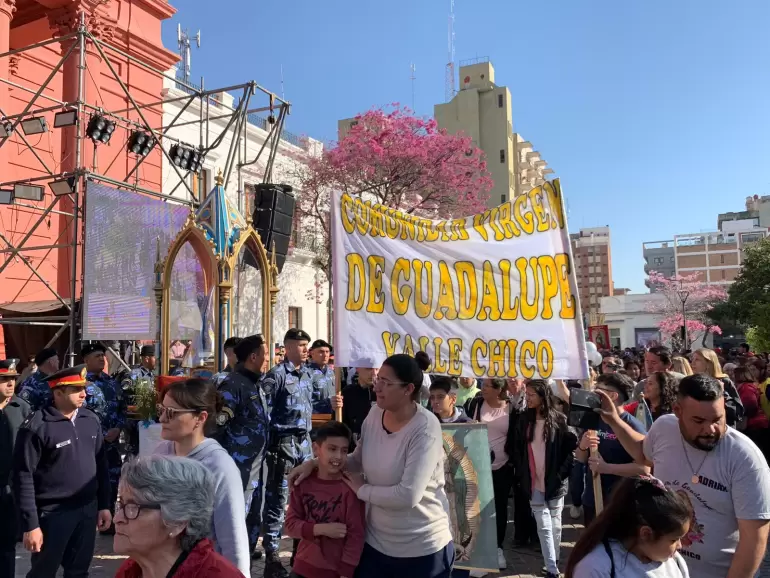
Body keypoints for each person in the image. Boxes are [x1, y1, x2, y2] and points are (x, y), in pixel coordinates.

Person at [289, 353, 454, 578]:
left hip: (421, 548)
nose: (377, 387)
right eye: (378, 380)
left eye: (386, 382)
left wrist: (362, 490)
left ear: (408, 390)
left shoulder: (425, 429)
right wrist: (316, 464)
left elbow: (408, 496)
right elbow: (358, 460)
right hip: (376, 544)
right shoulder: (376, 413)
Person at [595, 373, 770, 578]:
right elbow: (643, 454)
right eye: (698, 420)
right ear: (678, 411)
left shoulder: (744, 458)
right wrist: (615, 420)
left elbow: (754, 537)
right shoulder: (663, 428)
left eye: (717, 419)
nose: (710, 429)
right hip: (665, 569)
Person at [13, 365, 112, 577]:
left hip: (86, 510)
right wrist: (31, 525)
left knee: (78, 571)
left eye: (84, 388)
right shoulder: (37, 426)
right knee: (43, 571)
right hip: (52, 514)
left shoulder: (90, 420)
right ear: (57, 392)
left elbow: (101, 466)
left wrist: (104, 505)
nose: (84, 393)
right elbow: (23, 477)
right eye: (76, 389)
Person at [261, 328, 339, 577]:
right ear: (288, 347)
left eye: (307, 345)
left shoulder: (307, 374)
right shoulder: (276, 376)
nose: (306, 350)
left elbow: (310, 404)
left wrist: (331, 403)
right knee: (278, 499)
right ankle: (272, 555)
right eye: (302, 345)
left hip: (304, 442)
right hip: (283, 442)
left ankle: (299, 549)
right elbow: (264, 411)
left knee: (305, 496)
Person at [154, 378, 250, 576]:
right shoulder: (159, 454)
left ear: (200, 418)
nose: (162, 418)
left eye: (171, 413)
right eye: (161, 410)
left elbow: (233, 539)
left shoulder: (219, 465)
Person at [113, 455, 244, 578]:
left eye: (133, 507)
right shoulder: (130, 571)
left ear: (178, 522)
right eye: (121, 504)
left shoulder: (218, 574)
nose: (117, 519)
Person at [508, 380, 577, 578]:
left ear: (542, 396)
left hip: (555, 481)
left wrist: (561, 475)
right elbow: (516, 449)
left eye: (531, 395)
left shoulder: (560, 420)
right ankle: (552, 568)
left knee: (555, 523)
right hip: (532, 481)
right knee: (543, 524)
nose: (527, 398)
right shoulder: (523, 420)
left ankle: (552, 562)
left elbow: (570, 451)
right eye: (526, 394)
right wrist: (522, 473)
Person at [565, 476, 692, 578]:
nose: (680, 546)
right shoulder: (597, 568)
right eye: (674, 540)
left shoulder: (675, 562)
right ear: (646, 534)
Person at [285, 421, 365, 578]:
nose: (338, 456)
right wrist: (321, 529)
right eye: (332, 449)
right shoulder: (303, 483)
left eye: (344, 451)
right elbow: (290, 526)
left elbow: (356, 535)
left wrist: (346, 572)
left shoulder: (349, 488)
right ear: (316, 449)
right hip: (302, 567)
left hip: (334, 572)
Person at [215, 334, 270, 560]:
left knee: (252, 519)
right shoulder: (233, 384)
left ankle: (243, 563)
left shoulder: (255, 383)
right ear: (254, 357)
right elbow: (217, 426)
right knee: (234, 521)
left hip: (255, 467)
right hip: (238, 468)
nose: (268, 360)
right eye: (266, 355)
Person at [578, 372, 648, 527]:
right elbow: (581, 458)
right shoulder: (592, 419)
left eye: (599, 390)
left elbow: (645, 468)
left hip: (619, 503)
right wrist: (583, 446)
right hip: (592, 499)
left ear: (613, 396)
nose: (593, 393)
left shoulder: (632, 427)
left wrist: (607, 468)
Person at [465, 377, 516, 567]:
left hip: (503, 467)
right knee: (478, 507)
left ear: (498, 389)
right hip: (478, 465)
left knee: (499, 508)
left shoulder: (511, 408)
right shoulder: (475, 403)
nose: (483, 388)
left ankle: (498, 548)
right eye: (483, 385)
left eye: (487, 386)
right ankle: (477, 546)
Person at [83, 341, 127, 526]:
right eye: (97, 356)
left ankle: (108, 521)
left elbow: (123, 409)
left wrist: (118, 428)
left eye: (103, 355)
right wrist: (99, 434)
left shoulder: (111, 383)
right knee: (88, 483)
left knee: (111, 481)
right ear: (85, 360)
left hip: (112, 446)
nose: (102, 358)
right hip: (88, 446)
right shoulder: (80, 384)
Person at [0, 359, 30, 577]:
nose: (10, 383)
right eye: (4, 379)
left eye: (12, 379)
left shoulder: (22, 408)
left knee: (7, 547)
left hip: (10, 492)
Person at [691, 347, 744, 427]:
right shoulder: (690, 382)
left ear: (709, 363)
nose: (692, 363)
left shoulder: (724, 382)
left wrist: (722, 393)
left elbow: (737, 411)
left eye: (697, 360)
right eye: (692, 359)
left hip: (722, 430)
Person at [733, 365, 770, 456]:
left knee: (758, 452)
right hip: (757, 424)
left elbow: (751, 404)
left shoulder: (746, 388)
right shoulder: (747, 386)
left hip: (755, 425)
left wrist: (739, 412)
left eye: (734, 374)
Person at [341, 364, 378, 442]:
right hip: (353, 447)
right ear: (357, 368)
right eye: (368, 368)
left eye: (377, 369)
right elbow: (341, 424)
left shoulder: (384, 393)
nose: (374, 373)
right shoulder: (348, 393)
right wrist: (335, 408)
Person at [308, 339, 335, 414]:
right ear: (312, 353)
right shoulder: (306, 373)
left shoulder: (331, 372)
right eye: (321, 352)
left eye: (327, 352)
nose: (325, 355)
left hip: (331, 416)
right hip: (315, 418)